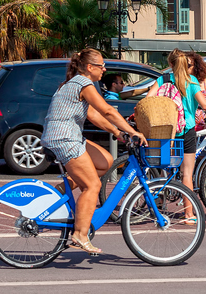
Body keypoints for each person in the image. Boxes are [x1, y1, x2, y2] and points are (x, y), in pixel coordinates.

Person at [40, 48, 146, 256]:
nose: (104, 69)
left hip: (68, 136)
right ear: (90, 67)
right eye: (101, 66)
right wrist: (133, 132)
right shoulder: (83, 83)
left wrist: (117, 132)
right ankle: (80, 235)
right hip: (64, 138)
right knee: (93, 185)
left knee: (105, 161)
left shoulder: (74, 84)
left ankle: (63, 189)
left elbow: (94, 115)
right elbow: (107, 110)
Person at [149, 49, 206, 214]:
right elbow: (205, 105)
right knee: (186, 174)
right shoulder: (192, 81)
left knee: (163, 167)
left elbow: (148, 100)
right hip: (186, 129)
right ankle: (188, 215)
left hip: (166, 130)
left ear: (170, 64)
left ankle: (159, 202)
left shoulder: (162, 79)